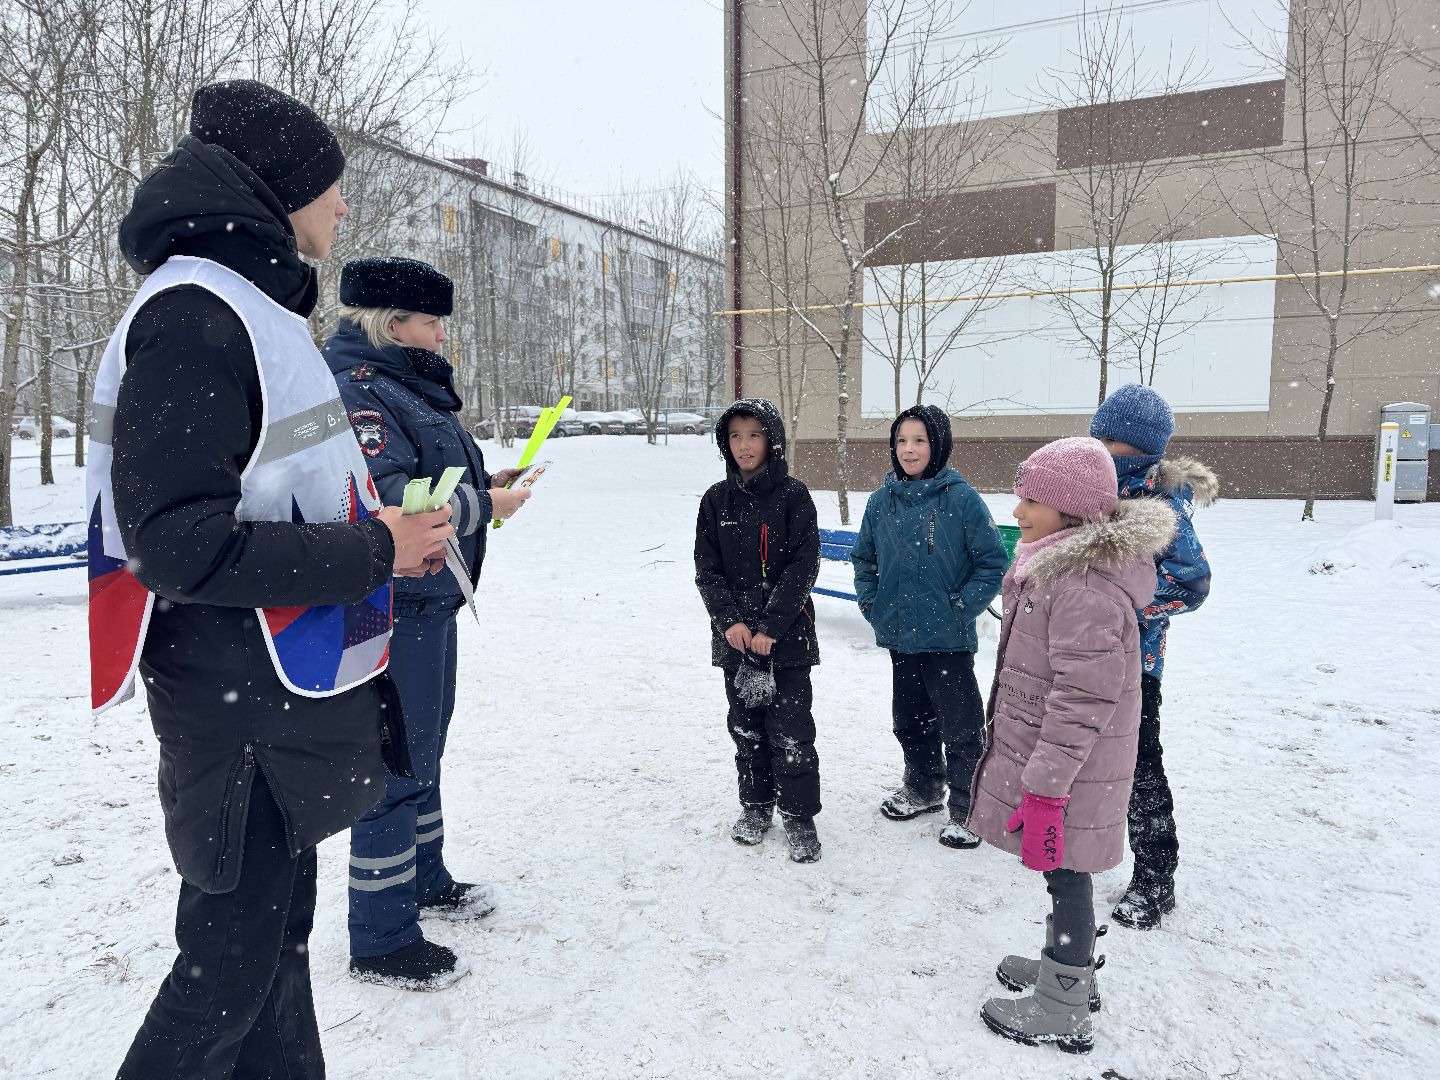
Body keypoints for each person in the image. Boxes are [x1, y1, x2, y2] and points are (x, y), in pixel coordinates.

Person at [89, 81, 453, 1078]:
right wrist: (379, 549)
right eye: (332, 189)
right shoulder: (194, 315)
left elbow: (273, 493)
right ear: (278, 188)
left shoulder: (248, 308)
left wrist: (373, 527)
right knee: (227, 972)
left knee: (269, 954)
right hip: (238, 708)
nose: (344, 209)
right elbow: (175, 544)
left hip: (274, 699)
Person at [323, 257, 530, 989]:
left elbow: (435, 482)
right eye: (432, 320)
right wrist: (485, 508)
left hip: (432, 601)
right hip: (393, 606)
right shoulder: (361, 397)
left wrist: (484, 488)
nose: (442, 333)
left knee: (426, 750)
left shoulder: (410, 391)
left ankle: (424, 877)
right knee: (394, 764)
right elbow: (396, 508)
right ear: (392, 323)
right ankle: (380, 938)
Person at [968, 437, 1176, 1053]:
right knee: (1063, 871)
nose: (1017, 511)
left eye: (1031, 500)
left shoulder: (1082, 585)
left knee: (1067, 872)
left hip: (1071, 770)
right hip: (1065, 763)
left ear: (1070, 509)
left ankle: (1065, 1000)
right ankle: (1069, 967)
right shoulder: (1056, 565)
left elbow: (1084, 697)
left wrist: (1047, 780)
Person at [850, 405, 1009, 847]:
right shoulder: (881, 502)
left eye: (919, 440)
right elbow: (864, 559)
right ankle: (923, 787)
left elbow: (992, 561)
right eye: (901, 440)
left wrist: (961, 606)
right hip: (901, 635)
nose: (909, 449)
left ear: (937, 445)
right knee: (910, 720)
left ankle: (968, 805)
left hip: (948, 639)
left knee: (960, 725)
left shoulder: (960, 499)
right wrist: (871, 603)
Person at [1089, 384, 1217, 929]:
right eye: (1098, 434)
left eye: (1112, 440)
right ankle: (1077, 849)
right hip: (1081, 659)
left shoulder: (1160, 510)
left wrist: (1123, 607)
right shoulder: (1087, 492)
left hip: (1135, 667)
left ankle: (1155, 875)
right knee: (1082, 760)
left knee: (1139, 767)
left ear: (1141, 448)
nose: (1101, 446)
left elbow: (1190, 583)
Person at [694, 399, 823, 863]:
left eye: (753, 434)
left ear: (771, 439)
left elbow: (803, 566)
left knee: (791, 731)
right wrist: (730, 621)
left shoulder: (794, 496)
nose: (744, 445)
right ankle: (756, 805)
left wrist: (771, 626)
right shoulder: (715, 500)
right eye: (734, 436)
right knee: (746, 730)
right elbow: (707, 569)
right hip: (736, 643)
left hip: (787, 642)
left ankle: (799, 816)